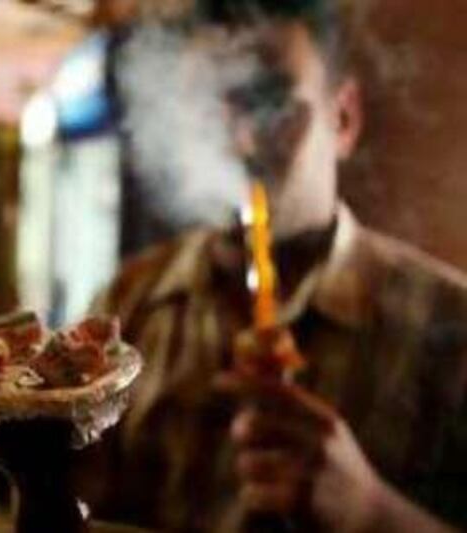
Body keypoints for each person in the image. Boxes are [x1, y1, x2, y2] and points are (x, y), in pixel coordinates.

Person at [75, 1, 467, 531]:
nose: (239, 139)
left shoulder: (449, 325)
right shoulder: (128, 307)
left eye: (270, 101)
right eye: (209, 107)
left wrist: (372, 511)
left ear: (344, 118)